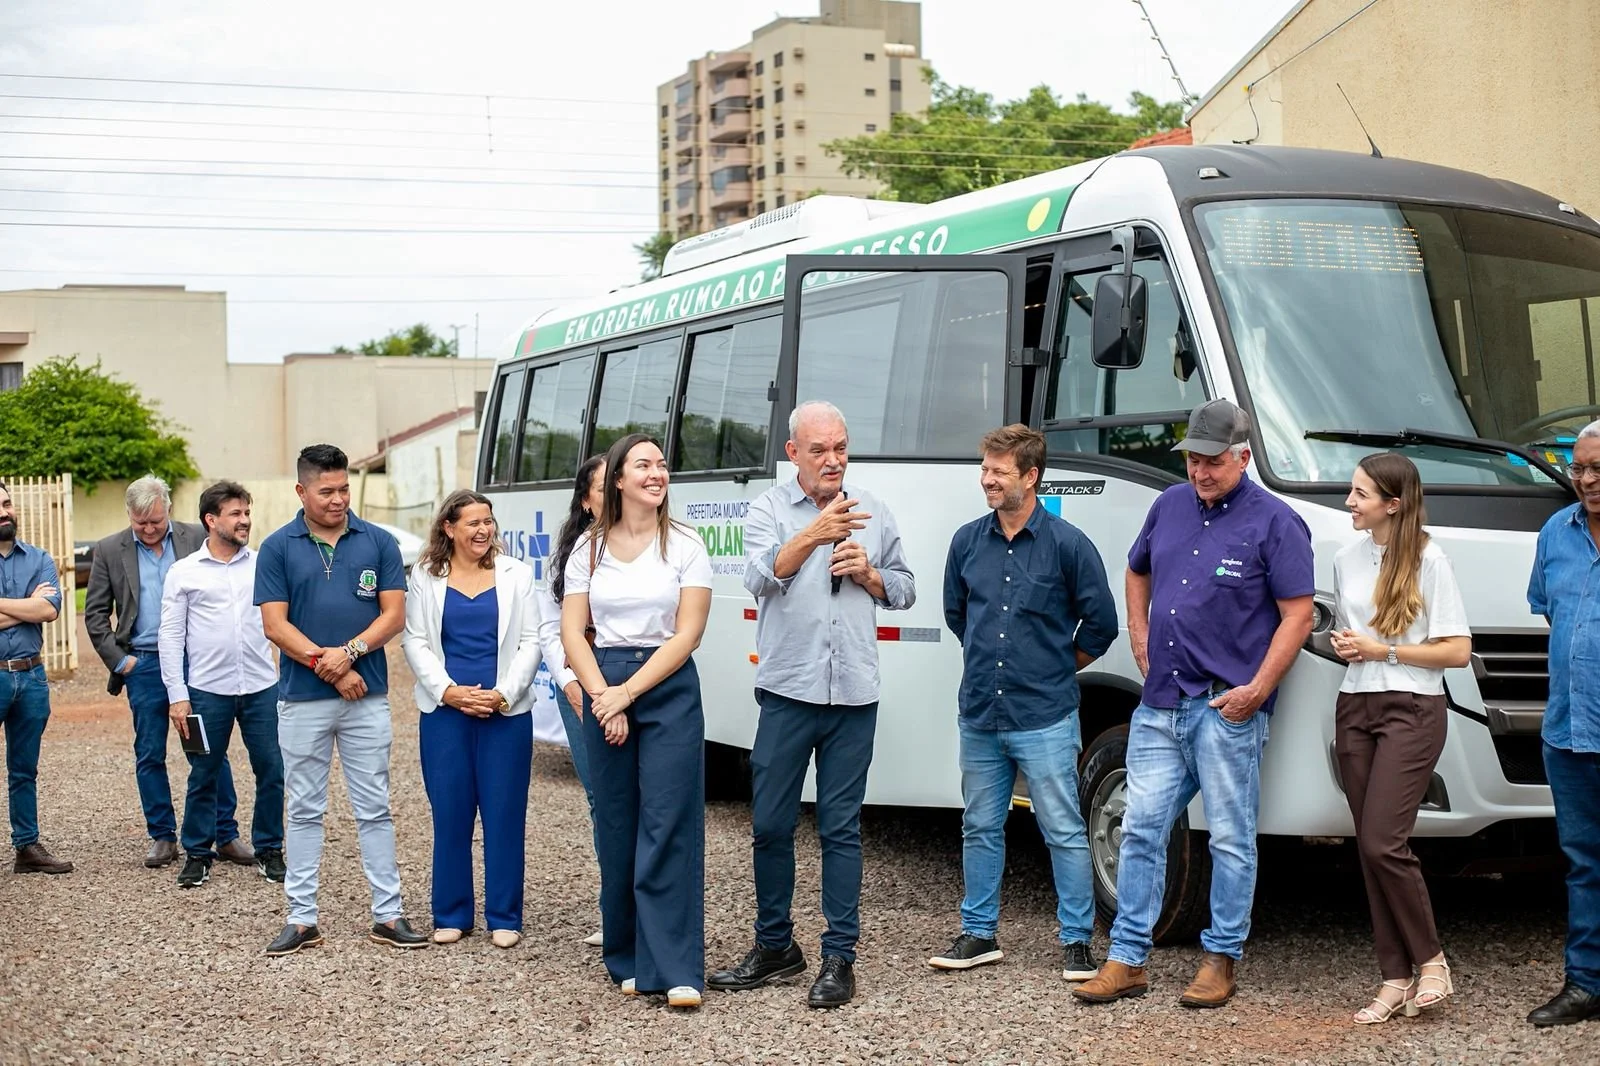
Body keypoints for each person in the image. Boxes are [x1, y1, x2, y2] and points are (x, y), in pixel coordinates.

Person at [1074, 398, 1313, 1009]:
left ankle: (1221, 959)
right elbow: (1136, 570)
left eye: (1212, 461)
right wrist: (1139, 631)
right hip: (1160, 705)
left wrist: (1258, 690)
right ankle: (1127, 958)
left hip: (1226, 709)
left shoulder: (1277, 523)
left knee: (1230, 839)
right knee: (1140, 828)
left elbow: (1298, 615)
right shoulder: (1169, 505)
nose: (1200, 472)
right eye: (1192, 460)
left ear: (1243, 457)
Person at [707, 400, 915, 1009]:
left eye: (842, 448)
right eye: (820, 450)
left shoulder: (874, 511)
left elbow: (904, 588)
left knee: (841, 827)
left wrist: (872, 576)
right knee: (770, 824)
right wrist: (814, 535)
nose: (833, 460)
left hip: (853, 694)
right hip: (788, 691)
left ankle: (838, 957)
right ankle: (775, 946)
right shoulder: (767, 509)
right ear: (793, 452)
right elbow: (758, 577)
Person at [933, 424, 1118, 981]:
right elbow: (957, 615)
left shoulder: (1068, 544)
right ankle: (979, 933)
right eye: (985, 469)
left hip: (1045, 715)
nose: (987, 480)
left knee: (1062, 827)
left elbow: (1102, 624)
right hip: (982, 714)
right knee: (979, 825)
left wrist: (1056, 666)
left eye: (999, 471)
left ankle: (1077, 942)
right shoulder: (967, 541)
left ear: (1031, 477)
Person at [560, 432, 712, 1010]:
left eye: (662, 464)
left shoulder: (686, 545)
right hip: (606, 681)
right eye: (643, 464)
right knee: (619, 823)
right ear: (617, 479)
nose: (656, 472)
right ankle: (625, 956)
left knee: (669, 823)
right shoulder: (588, 551)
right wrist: (603, 697)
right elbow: (573, 631)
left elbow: (688, 633)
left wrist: (627, 693)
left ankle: (674, 969)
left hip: (665, 683)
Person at [255, 444, 424, 956]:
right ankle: (301, 918)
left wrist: (348, 654)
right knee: (304, 808)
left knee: (374, 807)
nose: (337, 499)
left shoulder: (378, 542)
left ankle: (388, 916)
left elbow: (393, 615)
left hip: (366, 697)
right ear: (301, 491)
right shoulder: (278, 546)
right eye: (325, 491)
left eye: (343, 489)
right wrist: (325, 666)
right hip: (303, 698)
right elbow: (274, 624)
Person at [1329, 454, 1470, 1023]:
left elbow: (1456, 651)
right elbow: (1354, 633)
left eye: (1360, 494)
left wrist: (1382, 650)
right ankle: (1393, 977)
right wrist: (1349, 646)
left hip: (1412, 707)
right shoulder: (1345, 557)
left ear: (1394, 503)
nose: (1349, 502)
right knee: (1369, 847)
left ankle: (1431, 960)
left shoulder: (1431, 559)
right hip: (1354, 703)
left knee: (1385, 841)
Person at [401, 490, 541, 949]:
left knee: (504, 816)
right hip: (446, 715)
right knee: (451, 814)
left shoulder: (517, 574)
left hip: (505, 715)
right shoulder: (425, 575)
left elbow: (531, 642)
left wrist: (502, 695)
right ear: (449, 528)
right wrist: (449, 692)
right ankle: (452, 913)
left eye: (488, 521)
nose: (483, 530)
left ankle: (504, 916)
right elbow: (415, 641)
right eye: (472, 523)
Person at [85, 475, 247, 870]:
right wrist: (124, 664)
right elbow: (95, 615)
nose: (149, 529)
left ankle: (225, 833)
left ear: (168, 510)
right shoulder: (109, 549)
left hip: (195, 663)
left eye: (156, 521)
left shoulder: (195, 538)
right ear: (130, 516)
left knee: (207, 749)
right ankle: (162, 835)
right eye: (140, 523)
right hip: (143, 665)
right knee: (150, 752)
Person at [159, 481, 287, 890]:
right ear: (211, 520)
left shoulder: (264, 564)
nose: (245, 520)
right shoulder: (183, 573)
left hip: (261, 688)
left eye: (247, 512)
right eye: (235, 514)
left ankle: (269, 848)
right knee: (203, 771)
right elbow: (170, 637)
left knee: (272, 769)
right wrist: (177, 696)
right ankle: (198, 852)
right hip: (205, 693)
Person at [1525, 419, 1600, 1027]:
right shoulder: (1556, 531)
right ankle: (1585, 984)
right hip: (1570, 731)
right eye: (1579, 468)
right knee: (1582, 862)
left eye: (1598, 468)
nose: (1587, 480)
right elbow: (1554, 616)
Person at [540, 454, 606, 947]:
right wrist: (569, 683)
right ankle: (614, 912)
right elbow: (551, 627)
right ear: (585, 500)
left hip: (638, 684)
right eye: (603, 489)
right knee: (603, 800)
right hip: (579, 691)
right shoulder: (565, 555)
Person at [0, 481, 71, 875]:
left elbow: (49, 611)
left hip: (31, 677)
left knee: (24, 768)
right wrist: (28, 605)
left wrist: (31, 607)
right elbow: (37, 607)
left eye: (7, 503)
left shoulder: (40, 558)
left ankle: (26, 847)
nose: (4, 512)